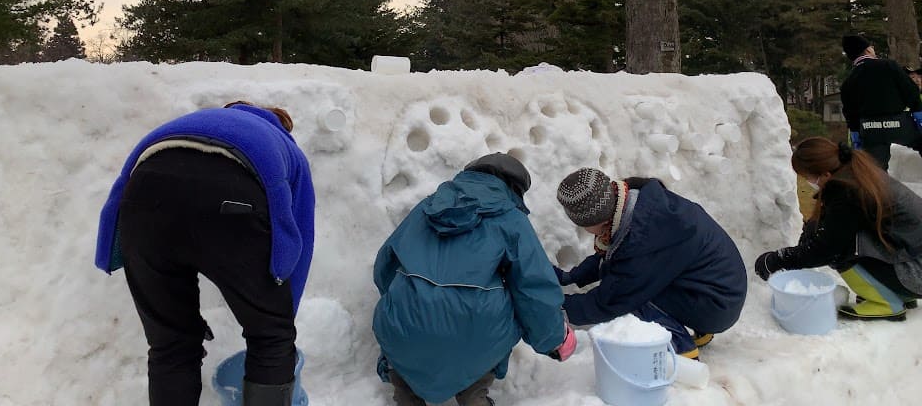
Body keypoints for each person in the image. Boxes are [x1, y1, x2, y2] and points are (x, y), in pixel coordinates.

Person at [95, 101, 315, 406]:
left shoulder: (191, 123)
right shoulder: (283, 144)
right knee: (270, 339)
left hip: (143, 203)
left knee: (171, 345)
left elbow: (123, 185)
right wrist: (278, 315)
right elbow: (300, 230)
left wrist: (110, 252)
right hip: (233, 196)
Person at [372, 153, 576, 406]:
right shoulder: (511, 220)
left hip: (405, 329)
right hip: (475, 335)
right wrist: (554, 339)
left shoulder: (427, 208)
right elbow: (533, 289)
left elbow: (385, 263)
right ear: (514, 188)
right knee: (485, 325)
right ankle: (473, 395)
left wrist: (403, 302)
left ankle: (406, 394)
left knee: (407, 360)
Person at [554, 168, 747, 359]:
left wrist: (552, 307)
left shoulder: (643, 238)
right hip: (720, 288)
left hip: (718, 305)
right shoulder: (637, 205)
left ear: (596, 221)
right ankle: (699, 326)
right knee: (638, 284)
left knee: (636, 298)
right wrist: (571, 277)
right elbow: (612, 258)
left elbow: (611, 300)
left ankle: (681, 348)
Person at [754, 137, 922, 321]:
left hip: (915, 273)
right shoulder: (854, 171)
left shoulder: (848, 190)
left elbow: (825, 248)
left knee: (842, 250)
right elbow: (824, 222)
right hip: (912, 261)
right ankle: (896, 292)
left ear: (825, 174)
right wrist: (804, 243)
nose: (807, 182)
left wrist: (777, 260)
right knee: (841, 238)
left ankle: (886, 303)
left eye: (807, 177)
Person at [840, 33, 922, 169]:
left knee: (876, 170)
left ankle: (879, 188)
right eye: (871, 47)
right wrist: (918, 113)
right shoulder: (889, 66)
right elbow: (911, 91)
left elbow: (850, 112)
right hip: (899, 124)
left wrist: (855, 133)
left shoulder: (849, 81)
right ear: (867, 50)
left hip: (870, 129)